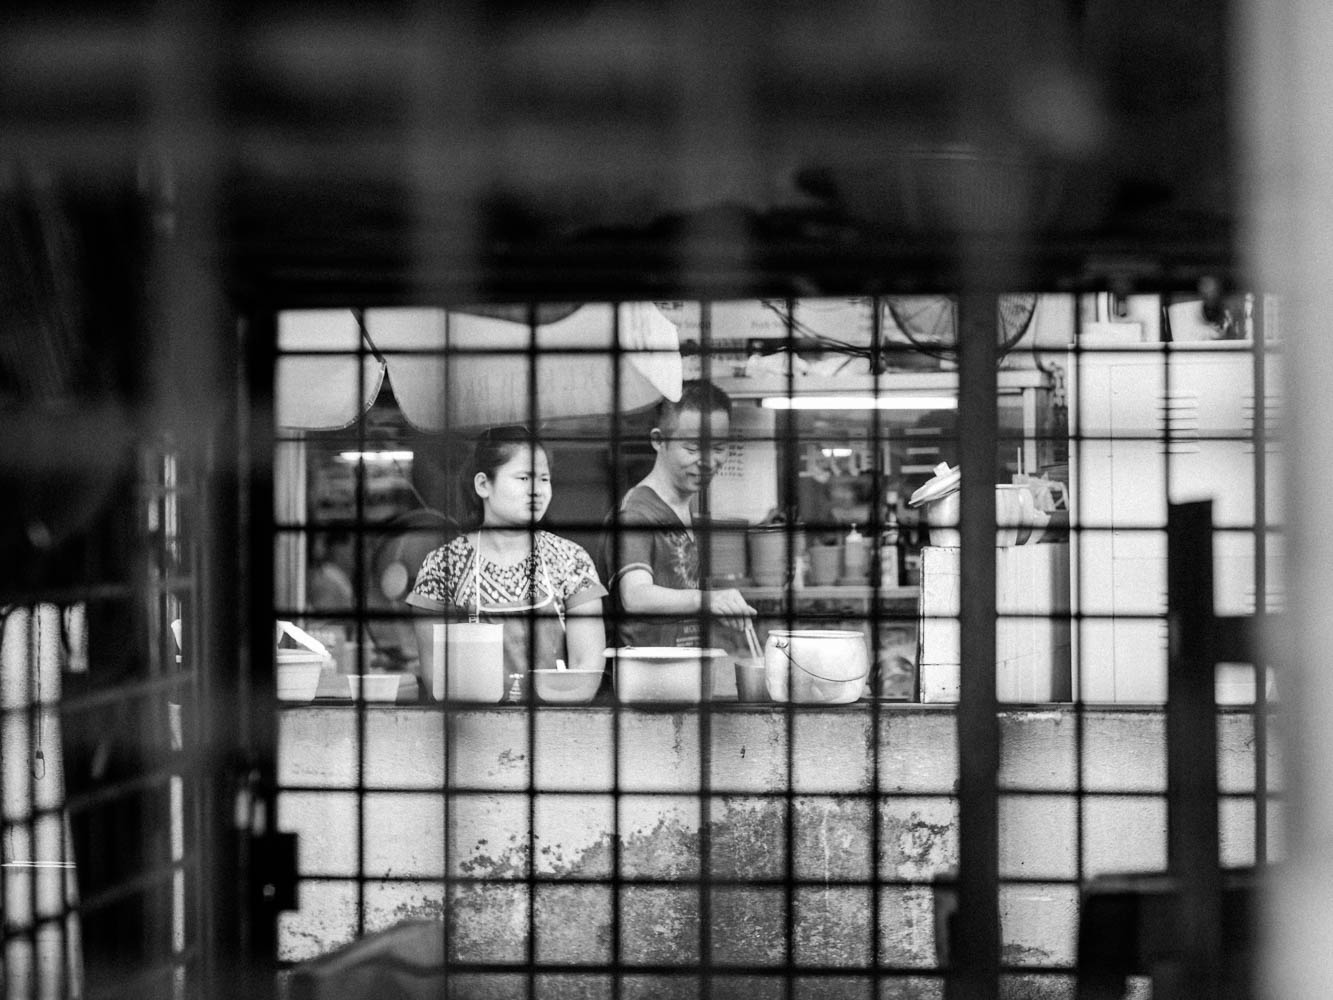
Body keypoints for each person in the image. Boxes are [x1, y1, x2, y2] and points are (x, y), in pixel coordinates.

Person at [408, 425, 607, 702]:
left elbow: (588, 667)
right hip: (474, 735)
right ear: (483, 485)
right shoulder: (442, 566)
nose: (537, 491)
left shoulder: (571, 560)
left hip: (556, 730)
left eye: (545, 479)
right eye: (524, 478)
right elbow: (435, 677)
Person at [598, 380, 756, 648]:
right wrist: (709, 600)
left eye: (718, 448)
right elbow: (635, 597)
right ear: (659, 441)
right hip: (643, 680)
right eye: (692, 448)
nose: (707, 462)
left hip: (683, 675)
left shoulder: (685, 508)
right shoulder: (636, 514)